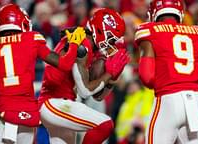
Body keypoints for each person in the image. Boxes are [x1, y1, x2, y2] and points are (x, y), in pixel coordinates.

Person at [38, 8, 129, 144]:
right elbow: (85, 91)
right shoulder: (82, 43)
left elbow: (98, 96)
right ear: (100, 30)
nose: (111, 44)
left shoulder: (88, 44)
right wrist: (108, 74)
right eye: (111, 38)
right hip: (54, 103)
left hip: (60, 104)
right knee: (105, 124)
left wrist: (112, 78)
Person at [134, 0, 198, 143]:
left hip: (168, 99)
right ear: (180, 13)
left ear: (154, 13)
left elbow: (146, 77)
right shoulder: (197, 33)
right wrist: (186, 83)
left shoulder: (150, 31)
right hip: (195, 101)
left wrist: (171, 82)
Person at [0, 3, 84, 128]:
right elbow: (65, 64)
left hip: (0, 108)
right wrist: (74, 44)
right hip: (26, 109)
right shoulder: (32, 38)